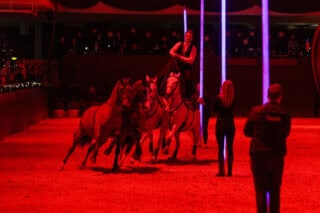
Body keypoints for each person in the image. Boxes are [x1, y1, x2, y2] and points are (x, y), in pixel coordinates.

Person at [243, 83, 291, 213]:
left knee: (260, 190)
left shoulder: (256, 111)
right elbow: (286, 133)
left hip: (258, 155)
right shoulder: (284, 113)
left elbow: (247, 132)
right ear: (280, 97)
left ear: (267, 95)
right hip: (276, 155)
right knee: (275, 190)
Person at [214, 80, 235, 177]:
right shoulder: (233, 99)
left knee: (220, 148)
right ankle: (230, 170)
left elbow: (214, 110)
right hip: (230, 124)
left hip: (221, 124)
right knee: (230, 147)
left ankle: (221, 170)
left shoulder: (219, 99)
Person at [169, 29, 197, 100]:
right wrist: (174, 55)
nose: (188, 37)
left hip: (186, 67)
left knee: (188, 79)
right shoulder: (179, 44)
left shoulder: (193, 48)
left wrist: (179, 57)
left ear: (192, 38)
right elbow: (171, 51)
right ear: (185, 36)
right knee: (169, 76)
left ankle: (187, 97)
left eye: (189, 36)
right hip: (177, 66)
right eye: (187, 36)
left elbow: (191, 60)